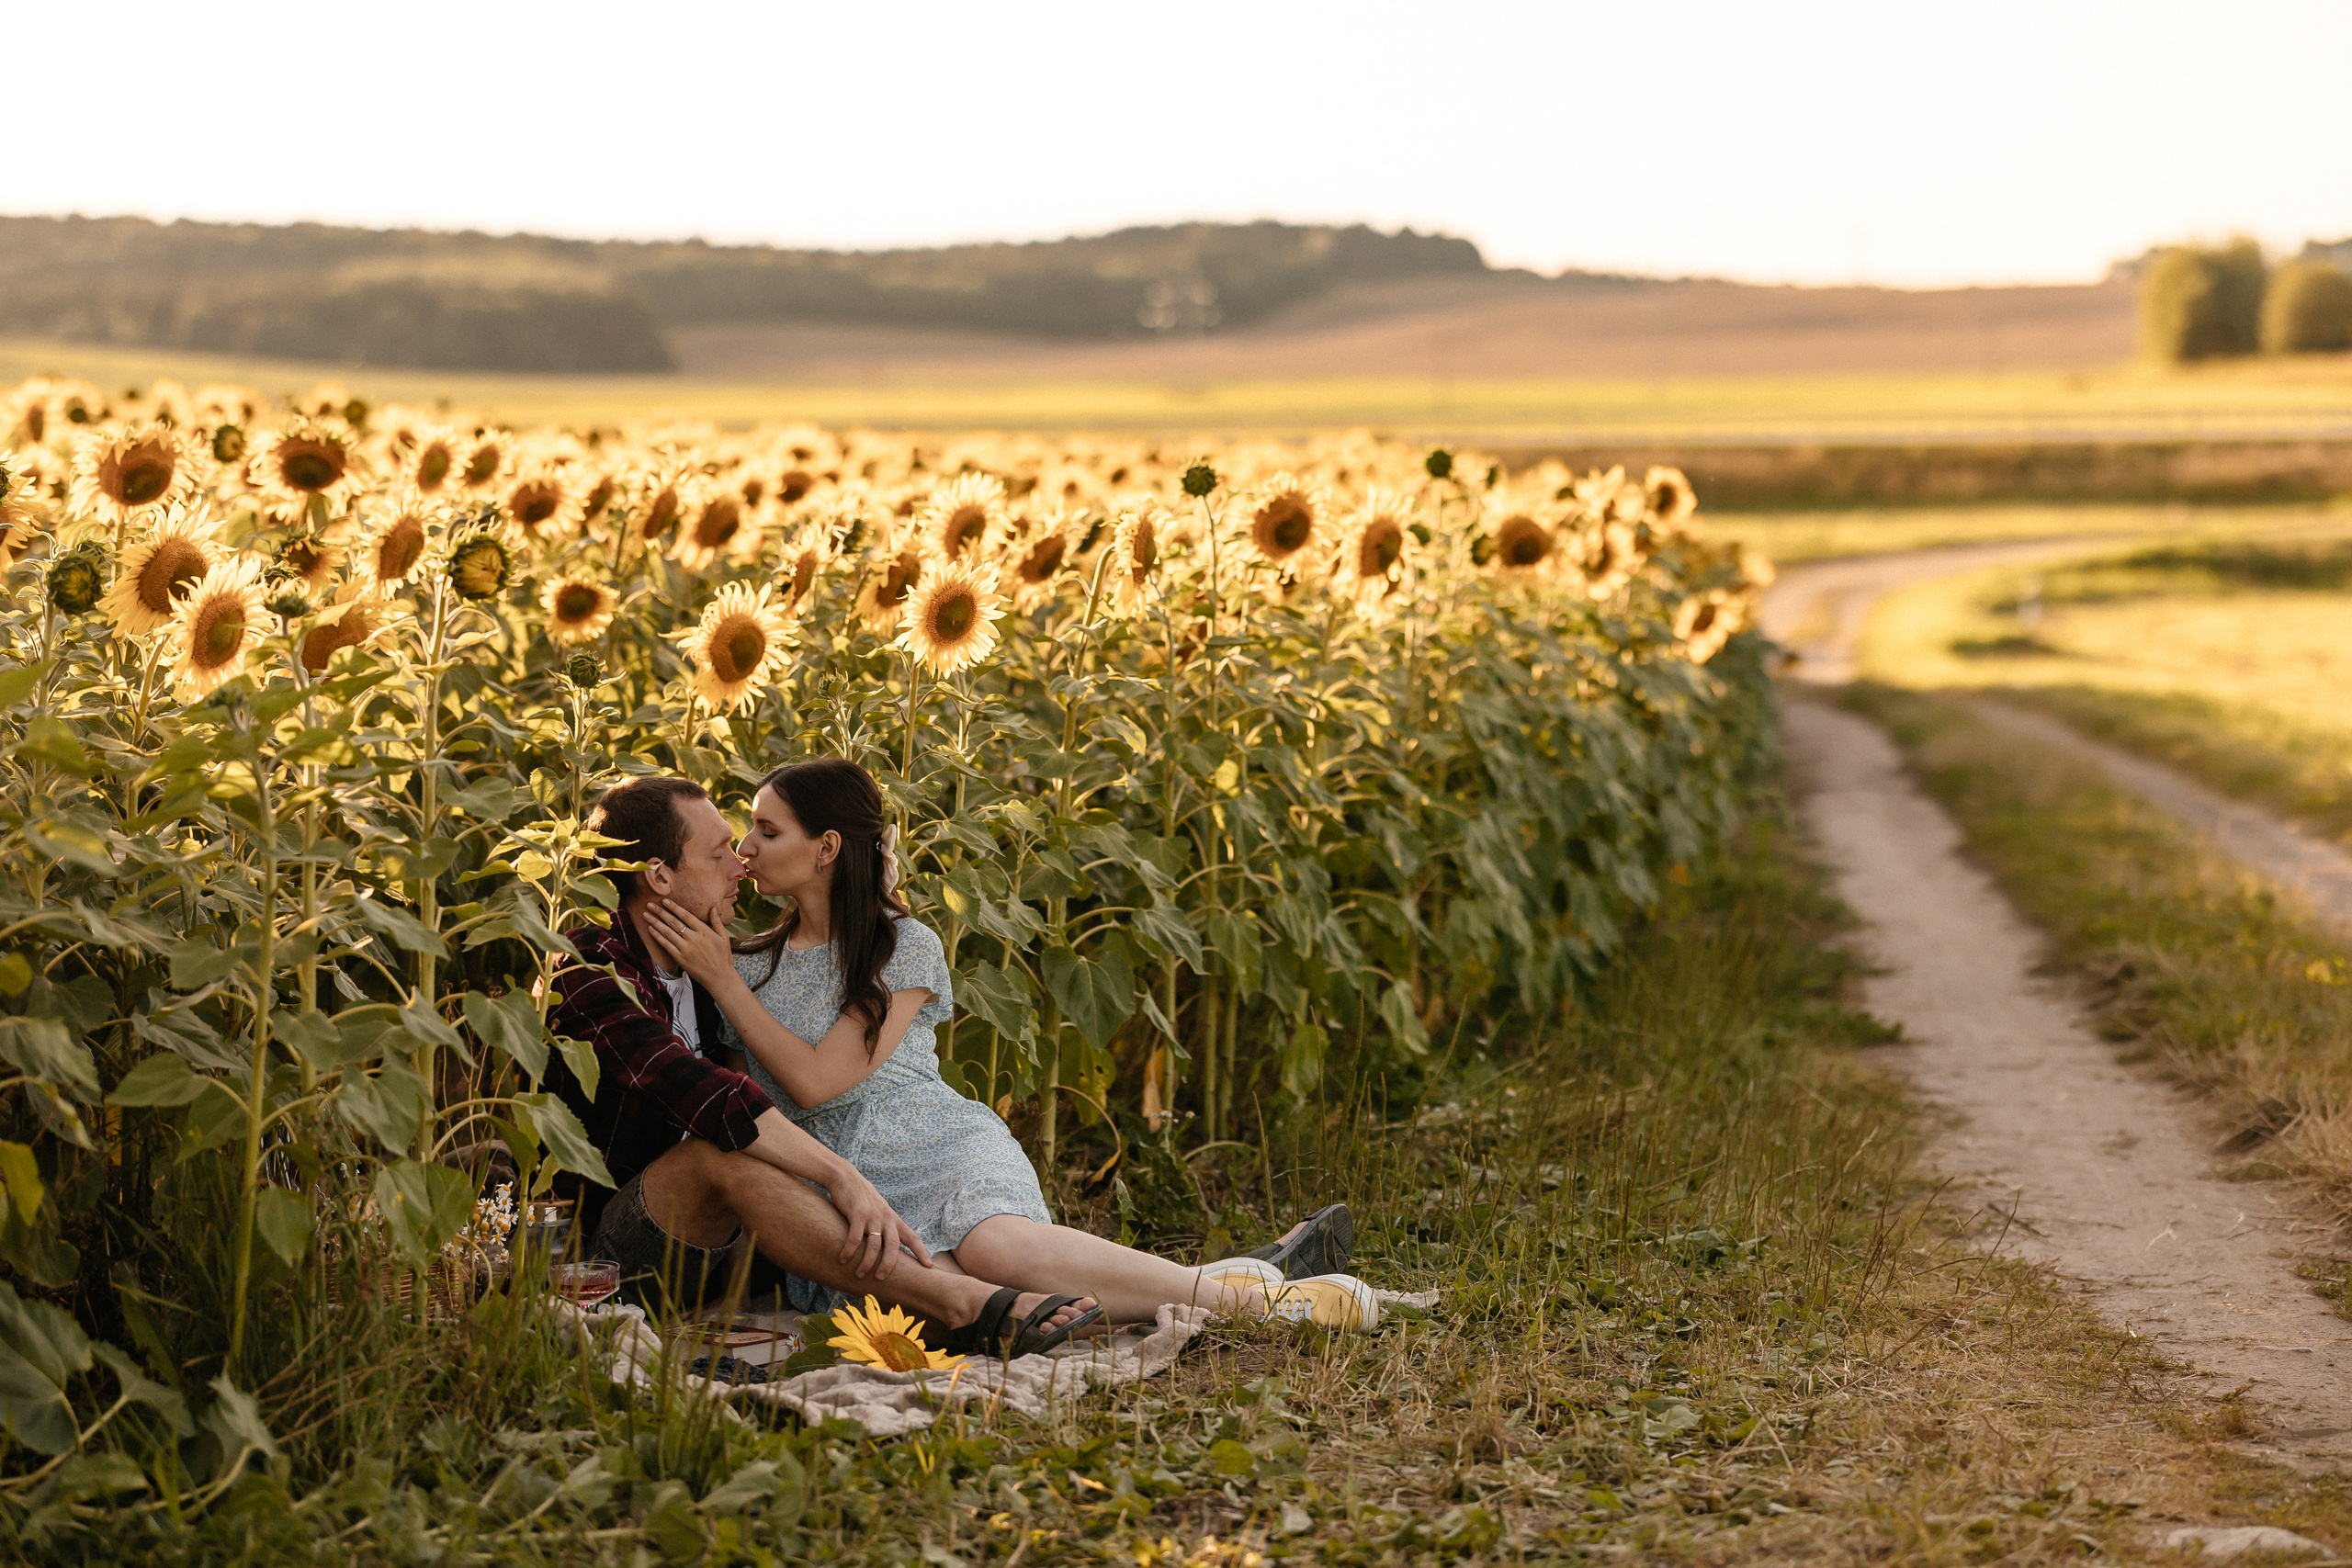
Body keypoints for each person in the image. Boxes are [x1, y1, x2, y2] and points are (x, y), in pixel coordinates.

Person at [639, 756, 1378, 1330]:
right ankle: (1242, 1275)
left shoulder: (903, 948)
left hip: (936, 1147)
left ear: (826, 846)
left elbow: (817, 1081)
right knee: (973, 1301)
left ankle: (1267, 1308)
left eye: (768, 830)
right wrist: (722, 974)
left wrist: (723, 981)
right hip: (837, 1190)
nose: (746, 847)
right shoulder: (740, 962)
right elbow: (755, 1105)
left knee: (1000, 1256)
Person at [543, 774, 1101, 1358]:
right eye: (718, 853)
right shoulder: (591, 969)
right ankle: (963, 1300)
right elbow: (706, 1095)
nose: (739, 864)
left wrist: (857, 899)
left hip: (731, 1239)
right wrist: (841, 1176)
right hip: (609, 1254)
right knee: (719, 1149)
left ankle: (1003, 1310)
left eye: (754, 837)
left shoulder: (709, 963)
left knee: (941, 1262)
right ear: (659, 877)